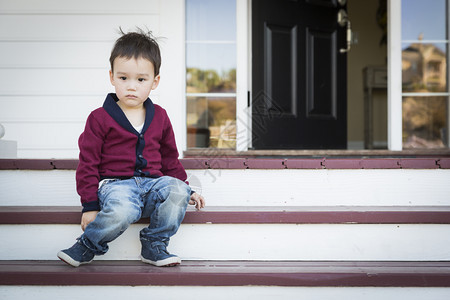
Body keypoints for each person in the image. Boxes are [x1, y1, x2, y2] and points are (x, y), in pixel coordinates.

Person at [57, 28, 205, 268]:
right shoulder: (99, 118)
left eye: (141, 79)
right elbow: (88, 163)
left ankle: (155, 245)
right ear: (112, 77)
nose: (131, 87)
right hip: (116, 187)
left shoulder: (161, 117)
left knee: (178, 190)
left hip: (152, 185)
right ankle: (87, 244)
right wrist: (90, 206)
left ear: (154, 81)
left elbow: (169, 159)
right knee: (123, 209)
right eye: (123, 78)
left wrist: (187, 189)